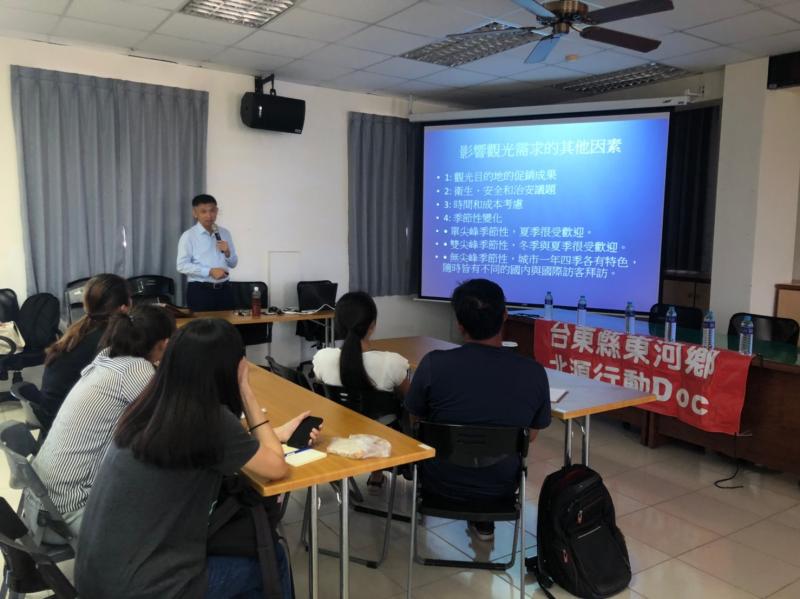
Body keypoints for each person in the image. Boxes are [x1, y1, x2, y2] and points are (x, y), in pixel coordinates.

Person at [75, 319, 316, 599]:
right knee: (271, 559)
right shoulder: (209, 420)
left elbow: (227, 445)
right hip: (146, 589)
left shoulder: (151, 405)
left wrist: (275, 433)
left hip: (94, 579)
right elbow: (276, 467)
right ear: (233, 366)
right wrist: (246, 390)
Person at [404, 279, 551, 542]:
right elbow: (532, 435)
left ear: (460, 324)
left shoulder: (433, 365)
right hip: (501, 487)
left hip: (438, 481)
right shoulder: (533, 372)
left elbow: (416, 421)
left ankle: (480, 519)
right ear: (505, 316)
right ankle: (484, 522)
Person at [32, 304, 175, 540]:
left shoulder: (107, 359)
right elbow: (172, 423)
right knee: (169, 492)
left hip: (45, 500)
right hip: (70, 510)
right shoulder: (136, 370)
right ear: (164, 343)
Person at [312, 291, 409, 490]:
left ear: (338, 324)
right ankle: (378, 473)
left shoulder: (322, 358)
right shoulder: (392, 363)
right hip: (382, 435)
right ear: (372, 326)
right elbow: (410, 399)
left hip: (337, 430)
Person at [39, 273, 131, 430]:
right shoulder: (110, 341)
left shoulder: (79, 331)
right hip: (70, 427)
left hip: (52, 418)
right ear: (124, 308)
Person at [177, 194, 238, 311]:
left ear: (217, 211)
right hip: (200, 291)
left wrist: (228, 253)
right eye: (203, 211)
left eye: (212, 211)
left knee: (226, 327)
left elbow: (233, 264)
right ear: (195, 213)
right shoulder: (189, 236)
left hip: (225, 290)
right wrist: (209, 271)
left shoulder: (225, 233)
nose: (209, 215)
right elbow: (181, 266)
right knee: (202, 328)